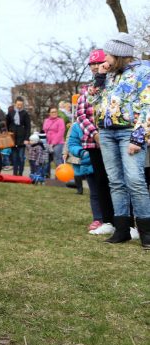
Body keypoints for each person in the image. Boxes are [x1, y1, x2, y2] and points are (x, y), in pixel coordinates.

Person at [87, 32, 150, 248]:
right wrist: (100, 77)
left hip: (129, 133)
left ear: (120, 54)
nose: (105, 60)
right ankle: (121, 229)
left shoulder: (143, 72)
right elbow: (91, 99)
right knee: (115, 182)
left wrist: (139, 137)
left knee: (135, 180)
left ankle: (146, 234)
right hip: (106, 132)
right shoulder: (109, 74)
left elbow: (147, 106)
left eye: (109, 55)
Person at [76, 49, 115, 236]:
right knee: (100, 181)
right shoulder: (86, 89)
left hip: (113, 139)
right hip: (94, 143)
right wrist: (95, 134)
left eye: (98, 63)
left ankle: (123, 219)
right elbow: (81, 115)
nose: (94, 67)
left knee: (116, 180)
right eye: (91, 64)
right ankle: (105, 219)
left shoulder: (114, 83)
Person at [66, 121, 105, 231]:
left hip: (108, 163)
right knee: (94, 193)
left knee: (112, 191)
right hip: (89, 163)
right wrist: (83, 153)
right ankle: (98, 219)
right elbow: (72, 144)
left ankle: (112, 219)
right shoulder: (78, 125)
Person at [7, 97, 32, 175]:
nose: (19, 106)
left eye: (21, 105)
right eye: (18, 104)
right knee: (14, 158)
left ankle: (20, 173)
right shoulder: (11, 112)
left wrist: (27, 138)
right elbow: (7, 123)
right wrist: (9, 133)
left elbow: (28, 127)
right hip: (13, 138)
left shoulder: (25, 113)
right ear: (15, 104)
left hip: (22, 138)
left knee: (21, 157)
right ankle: (14, 173)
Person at [42, 107, 66, 176]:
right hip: (47, 143)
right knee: (47, 159)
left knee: (57, 158)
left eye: (55, 112)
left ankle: (61, 174)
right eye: (52, 112)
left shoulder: (60, 120)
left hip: (58, 143)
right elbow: (44, 131)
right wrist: (44, 141)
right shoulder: (46, 120)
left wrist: (53, 143)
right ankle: (47, 174)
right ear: (49, 113)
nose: (54, 113)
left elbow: (61, 133)